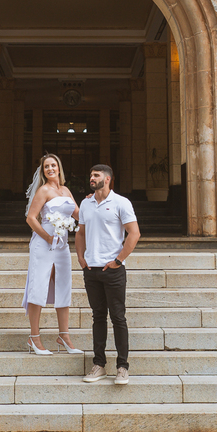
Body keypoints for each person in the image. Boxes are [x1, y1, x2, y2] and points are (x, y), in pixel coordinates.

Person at [75, 163, 140, 385]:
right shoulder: (85, 203)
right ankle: (99, 365)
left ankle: (122, 367)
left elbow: (134, 233)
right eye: (91, 174)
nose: (91, 178)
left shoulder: (121, 203)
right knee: (98, 317)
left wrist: (118, 260)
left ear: (108, 179)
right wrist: (81, 258)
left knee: (118, 318)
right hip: (91, 270)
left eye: (96, 175)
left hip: (112, 270)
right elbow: (80, 233)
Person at [22, 153, 81, 355]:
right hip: (44, 243)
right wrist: (48, 237)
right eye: (46, 166)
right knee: (38, 285)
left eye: (53, 165)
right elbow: (31, 218)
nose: (50, 169)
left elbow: (79, 215)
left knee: (64, 286)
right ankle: (34, 337)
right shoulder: (43, 190)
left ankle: (63, 335)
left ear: (59, 168)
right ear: (43, 170)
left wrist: (93, 202)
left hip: (63, 245)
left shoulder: (65, 190)